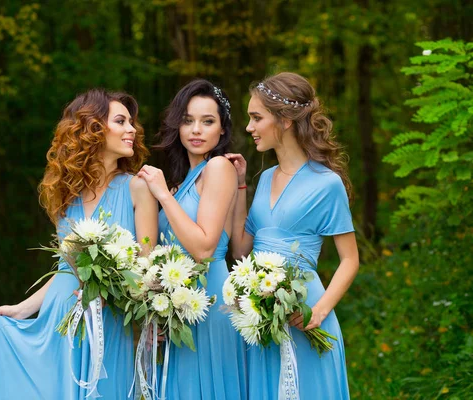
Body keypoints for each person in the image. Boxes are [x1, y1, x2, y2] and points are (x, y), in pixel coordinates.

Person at [0, 89, 158, 399]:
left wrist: (112, 290)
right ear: (94, 128)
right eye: (121, 121)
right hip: (59, 318)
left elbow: (147, 267)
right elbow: (65, 269)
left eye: (131, 122)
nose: (132, 130)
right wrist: (22, 309)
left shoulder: (138, 187)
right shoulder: (65, 194)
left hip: (108, 321)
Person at [225, 72, 359, 399]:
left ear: (284, 121)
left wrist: (320, 311)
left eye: (257, 118)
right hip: (263, 318)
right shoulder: (266, 176)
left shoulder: (327, 183)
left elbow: (350, 260)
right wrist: (241, 185)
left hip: (305, 312)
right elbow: (242, 249)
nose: (249, 127)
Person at [138, 79, 248, 400]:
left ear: (222, 131)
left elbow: (204, 248)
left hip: (209, 302)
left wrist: (162, 195)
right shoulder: (184, 180)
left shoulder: (217, 167)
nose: (196, 130)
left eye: (207, 121)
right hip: (177, 306)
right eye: (188, 120)